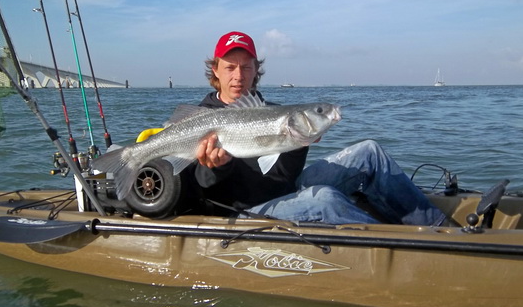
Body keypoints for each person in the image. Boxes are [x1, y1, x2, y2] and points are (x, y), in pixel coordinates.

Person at [177, 31, 447, 227]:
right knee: (326, 200)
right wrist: (216, 166)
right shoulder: (200, 119)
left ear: (256, 69)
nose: (239, 76)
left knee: (369, 152)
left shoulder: (271, 111)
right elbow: (200, 188)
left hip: (283, 190)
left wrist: (298, 143)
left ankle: (443, 231)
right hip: (244, 212)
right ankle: (400, 248)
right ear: (215, 69)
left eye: (246, 67)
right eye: (230, 67)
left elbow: (284, 177)